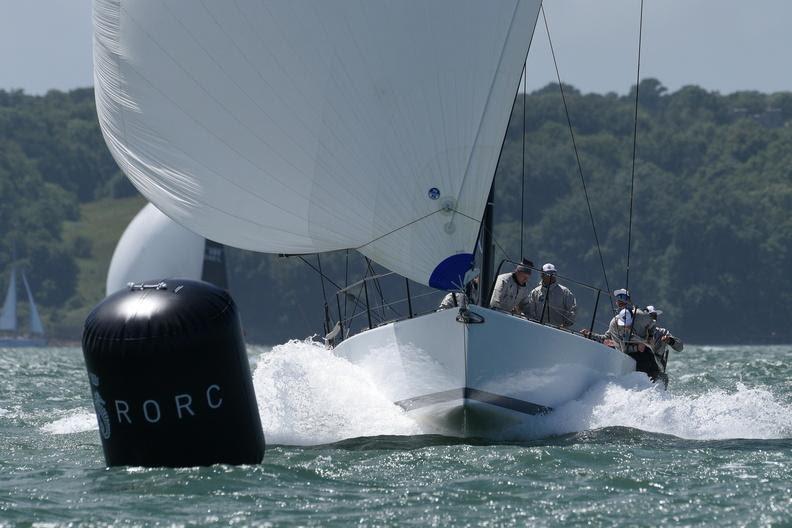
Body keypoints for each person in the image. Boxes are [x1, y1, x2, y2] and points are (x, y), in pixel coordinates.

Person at [582, 289, 662, 382]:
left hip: (646, 351)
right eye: (618, 300)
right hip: (629, 355)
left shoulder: (641, 315)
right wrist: (590, 335)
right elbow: (611, 341)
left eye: (623, 300)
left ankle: (657, 385)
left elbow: (653, 324)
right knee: (642, 374)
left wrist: (650, 337)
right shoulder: (614, 323)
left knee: (654, 372)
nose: (620, 302)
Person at [526, 263, 576, 327]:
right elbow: (530, 311)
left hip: (558, 331)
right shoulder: (535, 292)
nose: (551, 276)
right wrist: (534, 324)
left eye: (553, 273)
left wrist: (564, 325)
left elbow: (573, 310)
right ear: (542, 275)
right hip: (538, 329)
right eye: (548, 273)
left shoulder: (565, 292)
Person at [645, 305, 684, 371]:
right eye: (650, 316)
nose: (653, 319)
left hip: (656, 366)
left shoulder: (663, 332)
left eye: (655, 316)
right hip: (641, 361)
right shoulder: (638, 331)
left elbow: (680, 348)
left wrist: (670, 340)